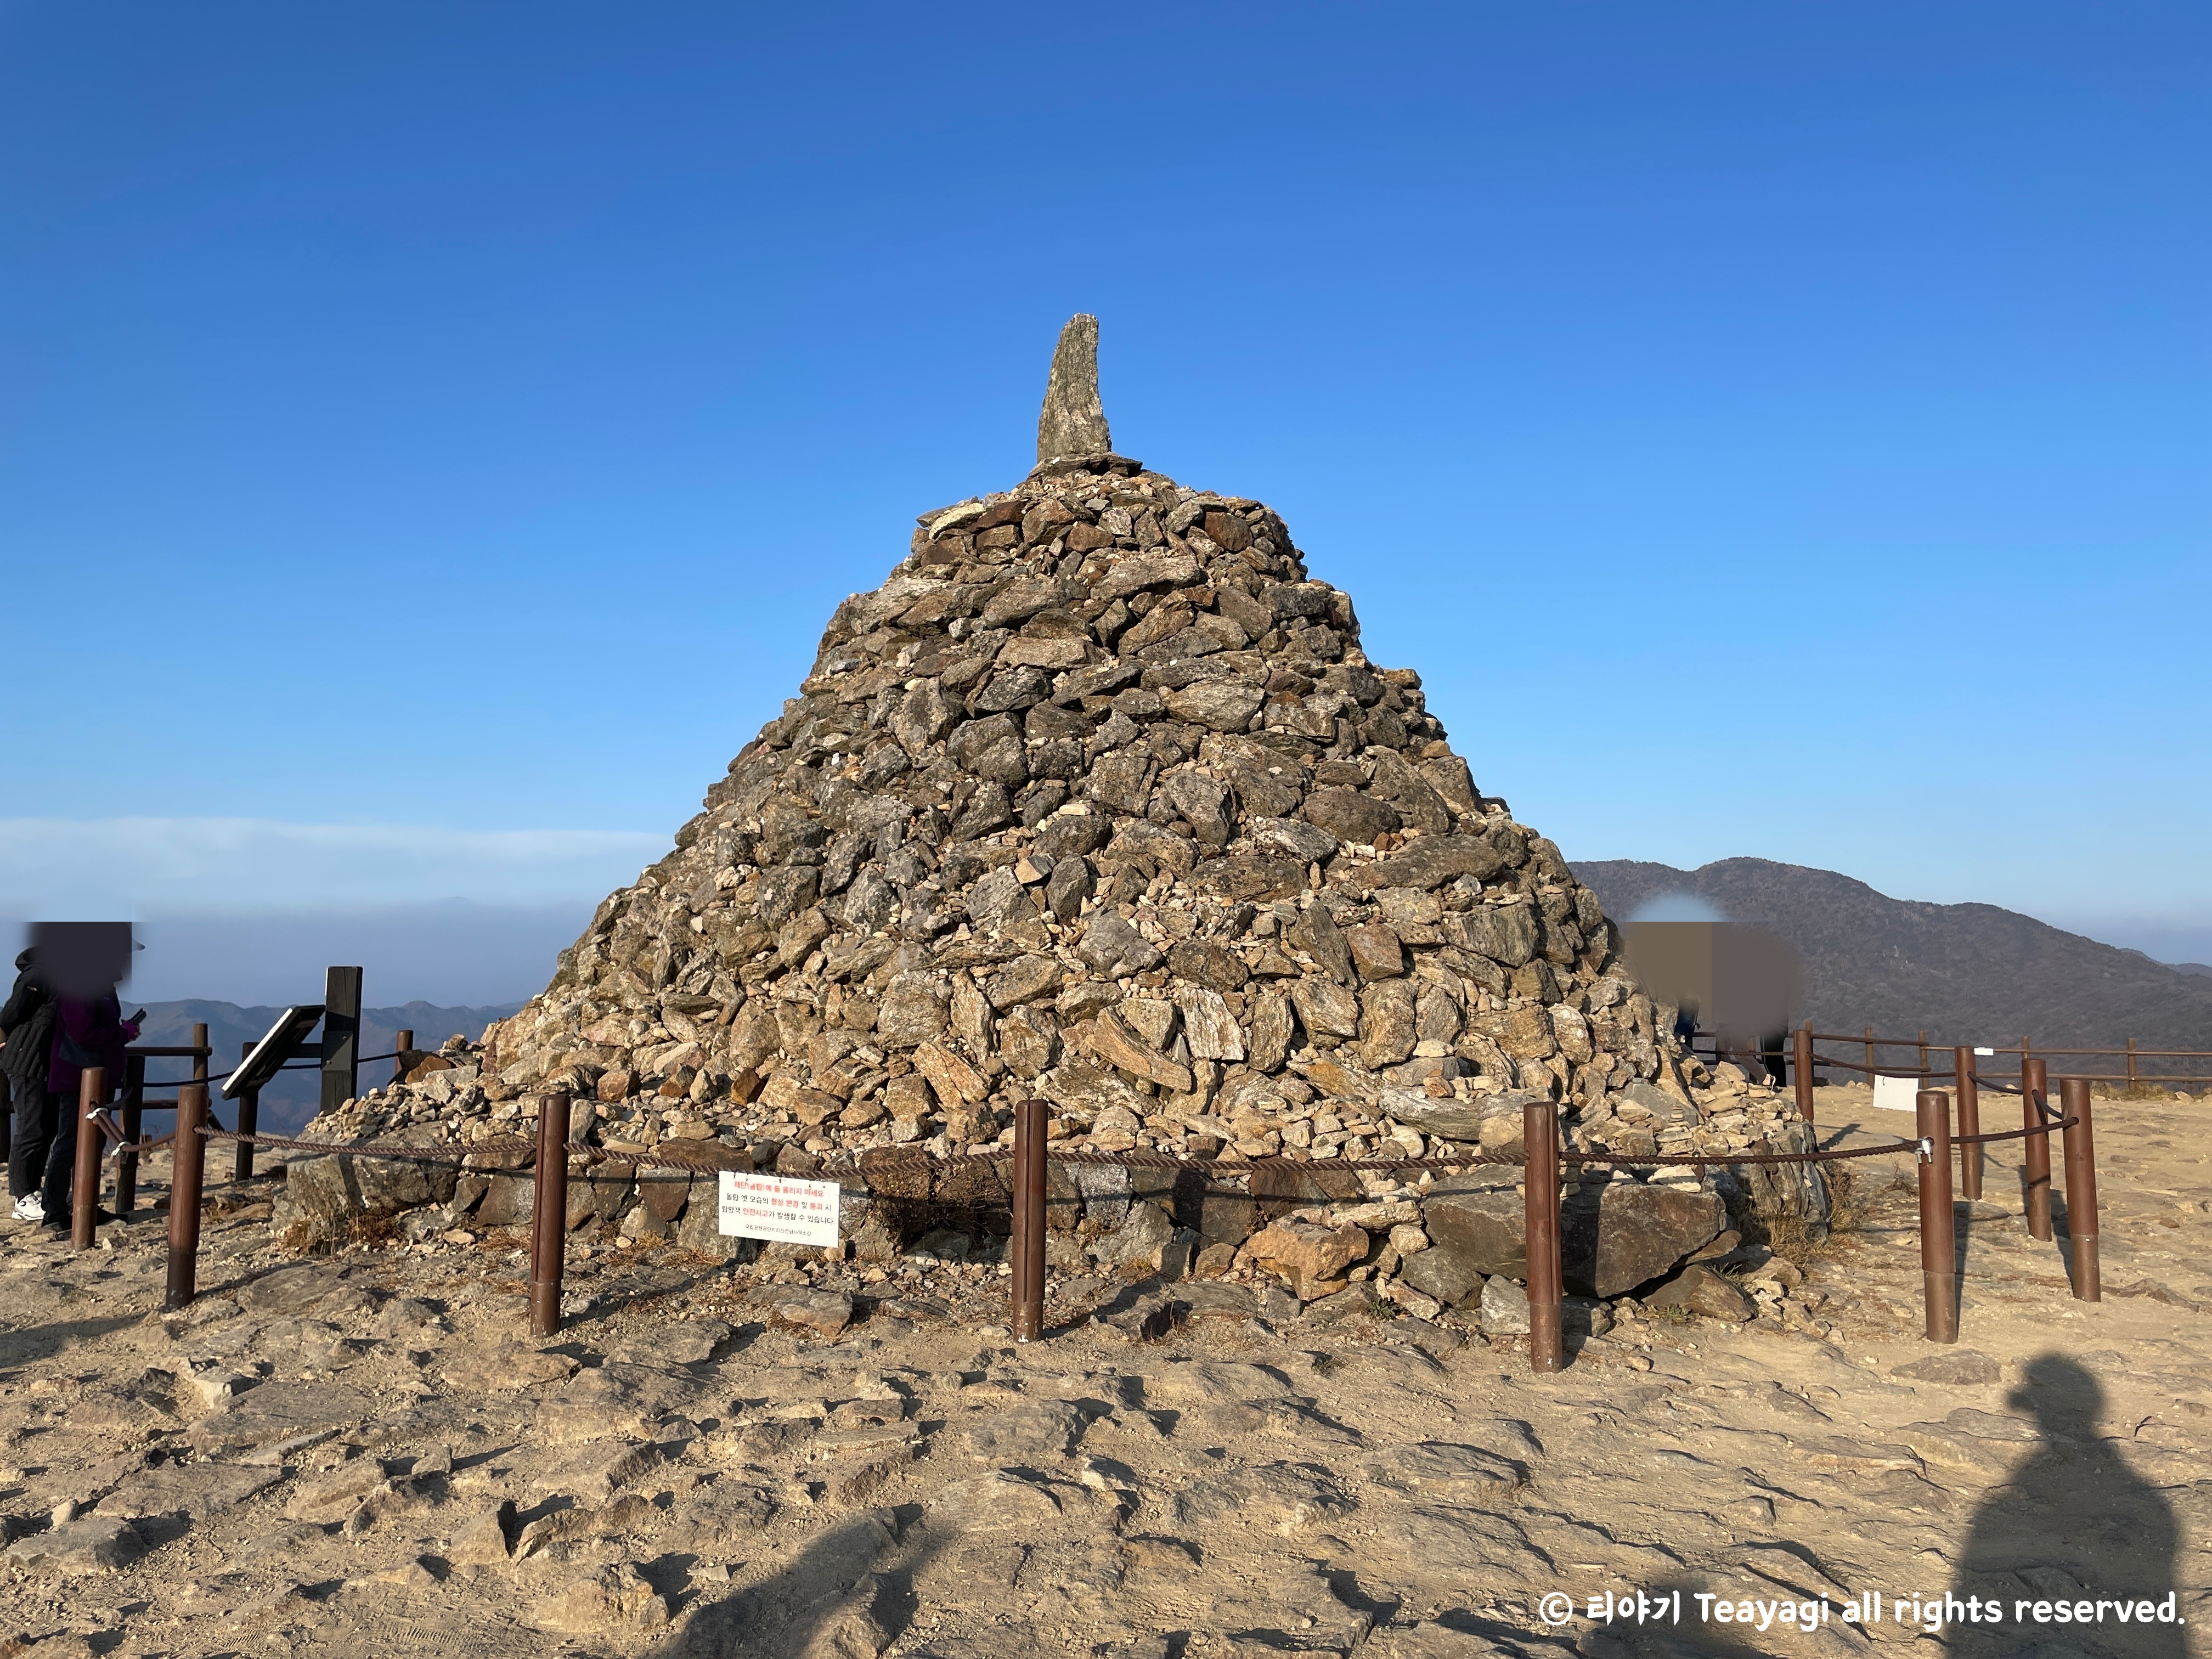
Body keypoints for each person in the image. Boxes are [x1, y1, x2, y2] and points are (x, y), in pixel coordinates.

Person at [41, 980, 138, 1232]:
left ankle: (86, 1205)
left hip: (97, 1075)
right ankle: (55, 1211)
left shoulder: (104, 986)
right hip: (78, 1077)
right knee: (70, 1142)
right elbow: (84, 1033)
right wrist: (122, 1034)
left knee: (91, 1143)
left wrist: (122, 1033)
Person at [0, 948, 59, 1223]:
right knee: (31, 1127)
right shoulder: (38, 974)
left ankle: (31, 1192)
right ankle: (23, 1197)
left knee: (44, 1128)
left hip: (41, 1061)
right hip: (28, 1061)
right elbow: (11, 1014)